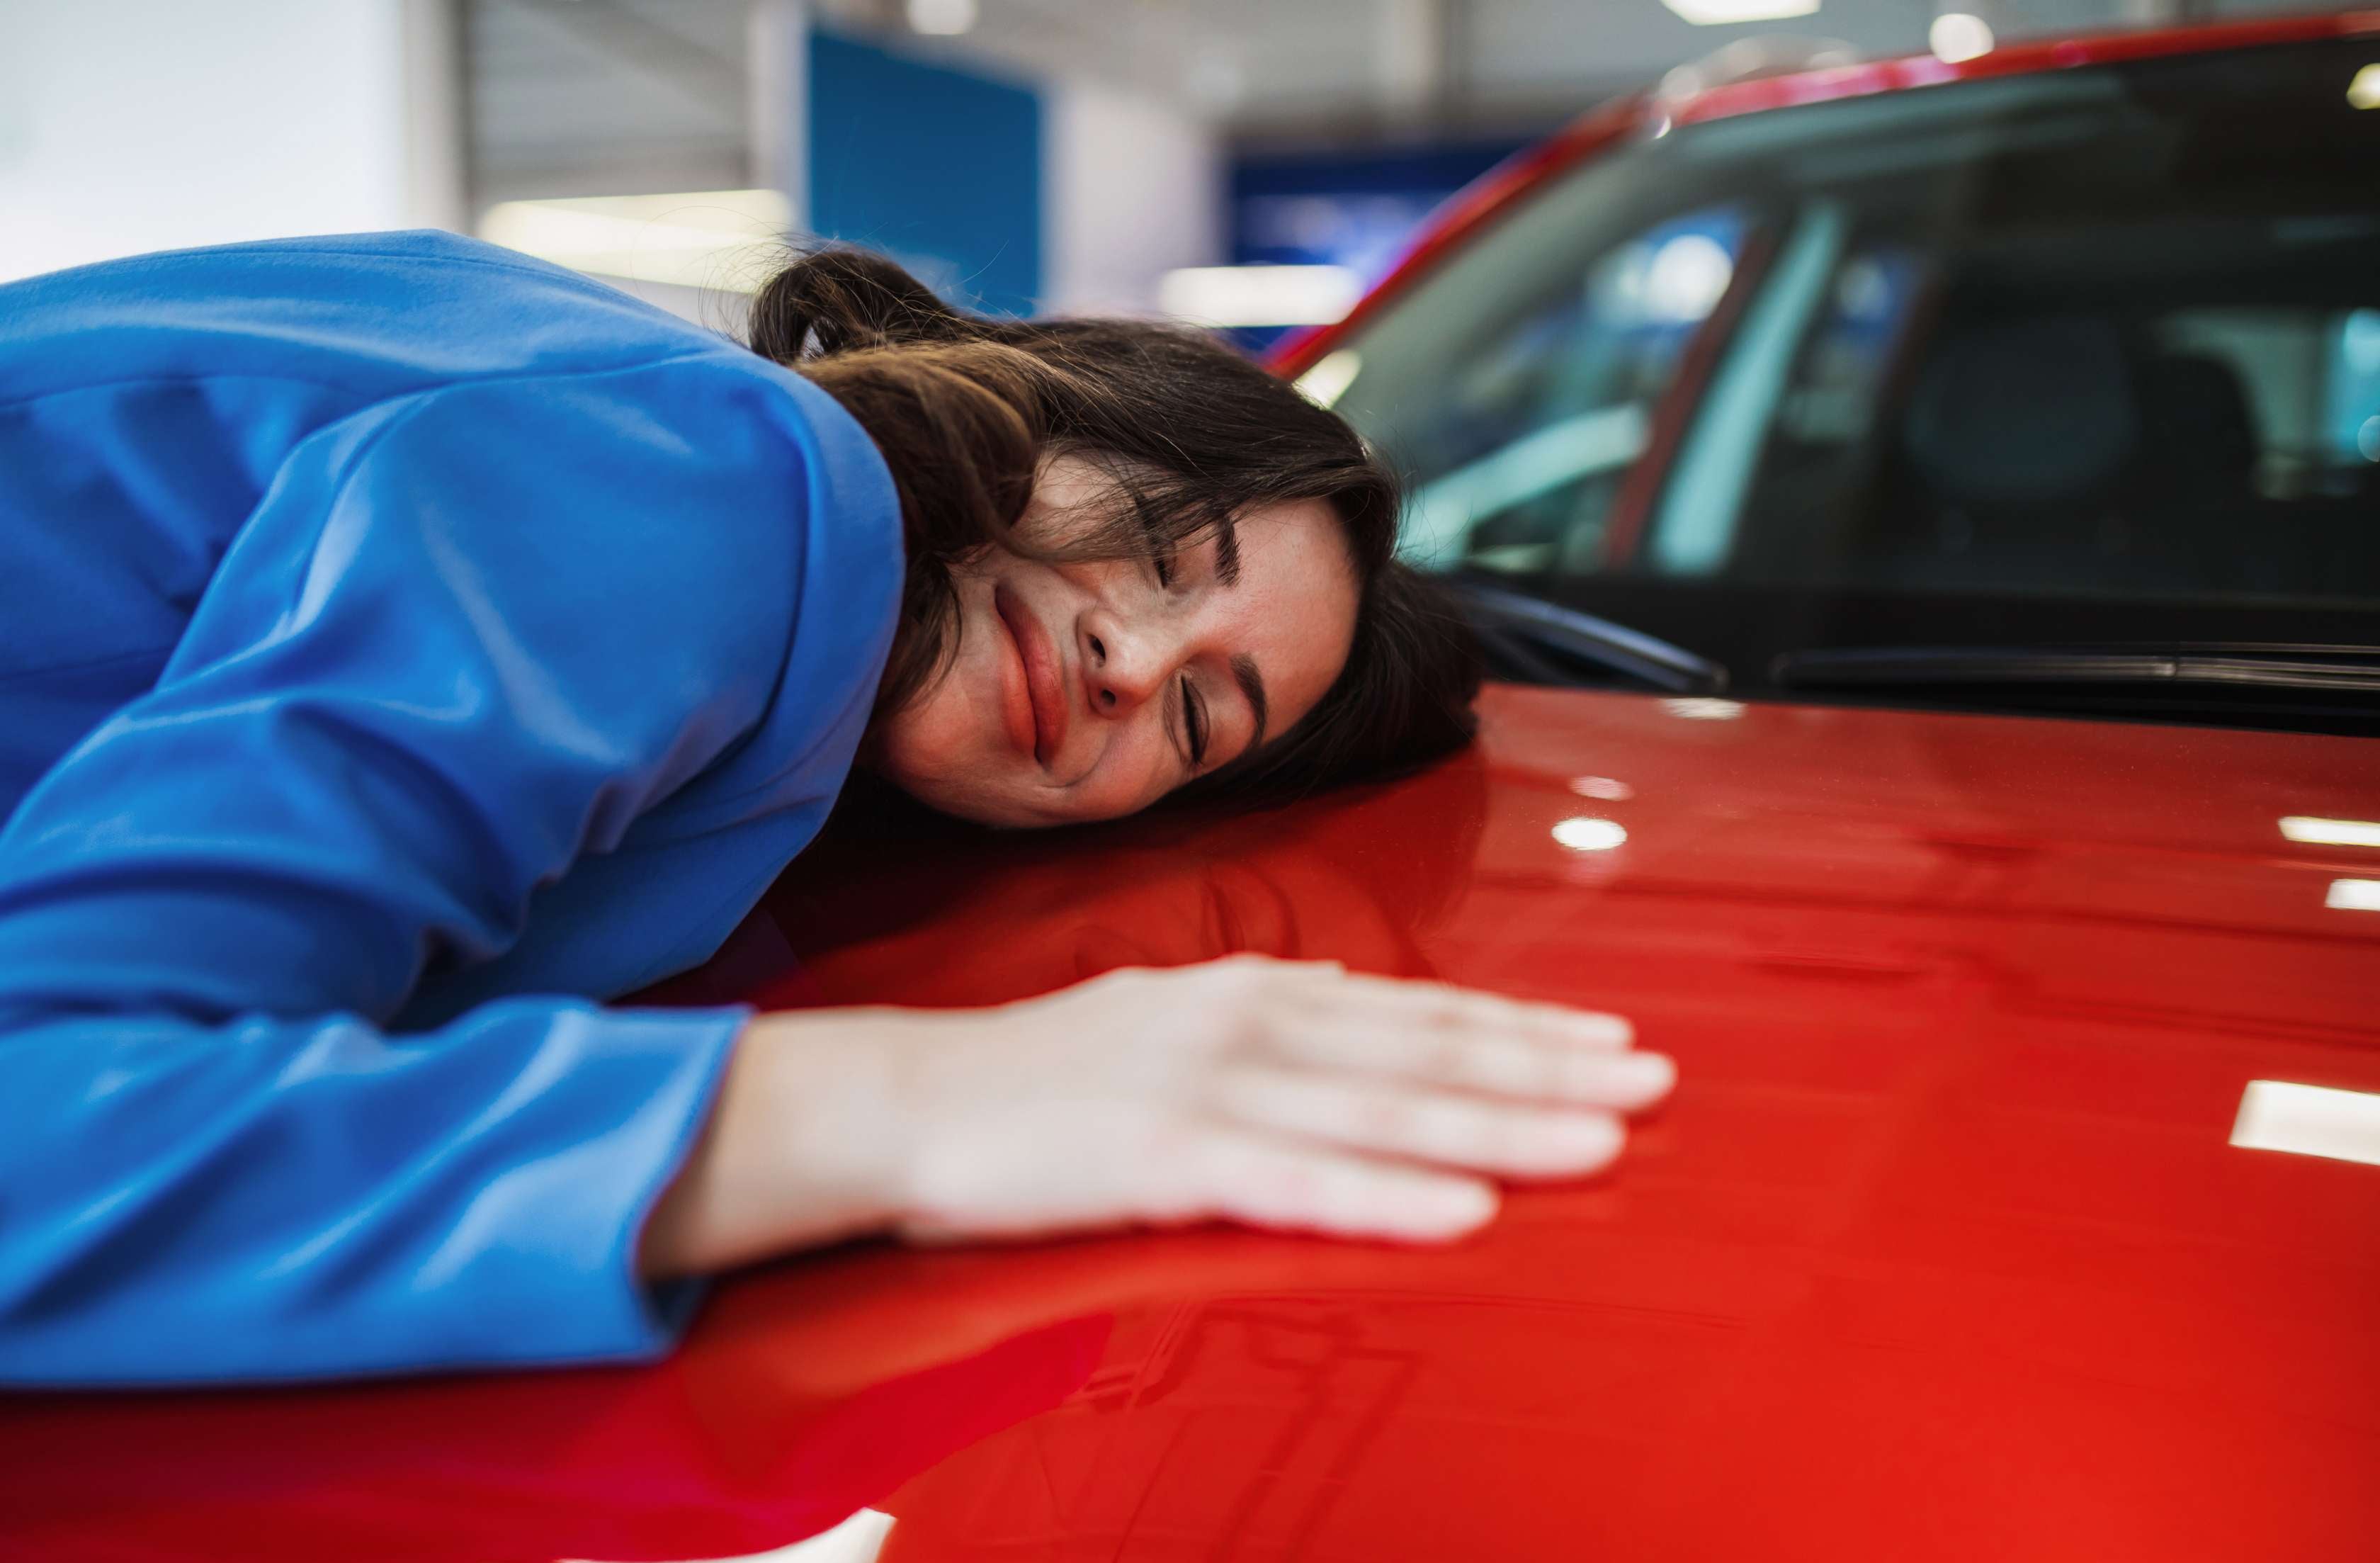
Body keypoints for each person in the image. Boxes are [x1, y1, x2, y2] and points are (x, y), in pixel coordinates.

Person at [0, 232, 1675, 1386]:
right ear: (1040, 406)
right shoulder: (719, 477)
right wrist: (917, 1102)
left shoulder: (712, 541)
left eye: (1195, 715)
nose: (1125, 661)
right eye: (1163, 548)